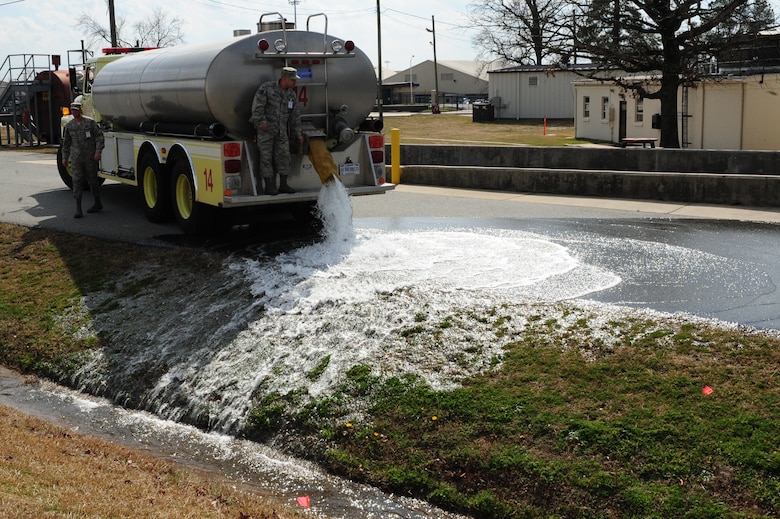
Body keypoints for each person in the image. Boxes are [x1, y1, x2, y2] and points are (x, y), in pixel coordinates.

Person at [250, 66, 304, 195]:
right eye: (293, 80)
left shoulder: (291, 95)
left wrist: (298, 133)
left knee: (284, 156)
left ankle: (283, 184)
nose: (295, 83)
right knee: (266, 157)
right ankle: (269, 186)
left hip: (281, 131)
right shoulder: (267, 88)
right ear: (285, 79)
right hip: (266, 131)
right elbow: (257, 107)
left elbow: (295, 116)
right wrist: (262, 123)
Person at [61, 97, 105, 218]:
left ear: (81, 110)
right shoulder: (69, 126)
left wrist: (98, 152)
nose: (75, 112)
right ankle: (78, 208)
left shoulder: (90, 123)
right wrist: (65, 158)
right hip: (76, 159)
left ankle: (97, 203)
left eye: (76, 110)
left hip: (90, 158)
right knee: (77, 182)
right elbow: (66, 144)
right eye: (73, 110)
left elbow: (99, 137)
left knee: (93, 181)